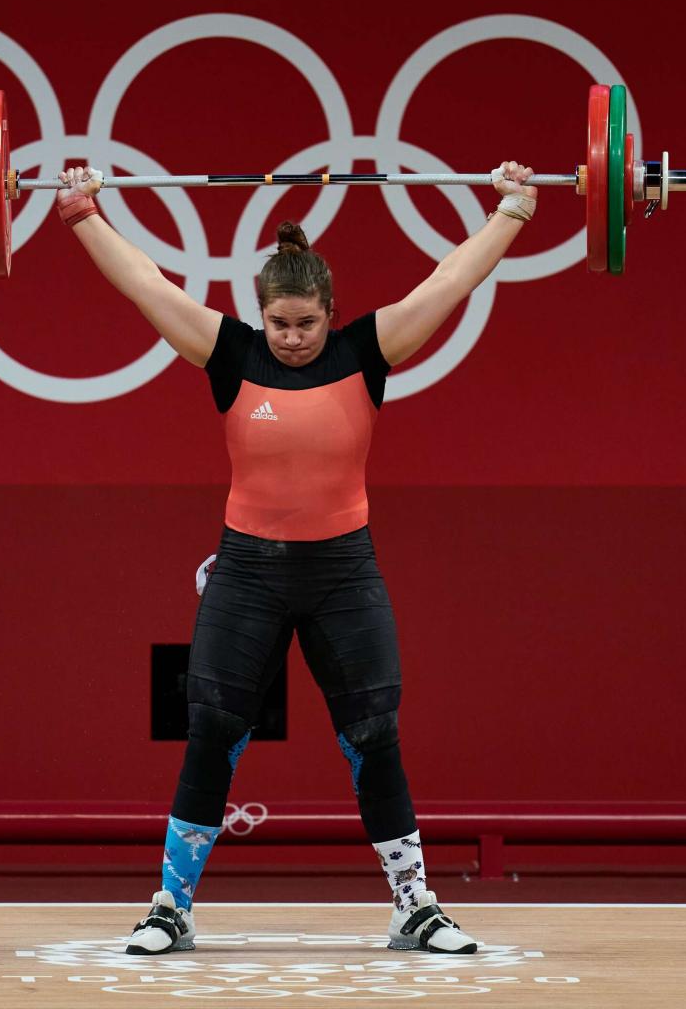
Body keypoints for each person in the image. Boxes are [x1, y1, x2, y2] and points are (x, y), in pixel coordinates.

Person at [54, 160, 541, 955]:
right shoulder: (231, 355)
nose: (291, 337)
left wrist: (513, 211)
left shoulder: (365, 352)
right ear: (261, 316)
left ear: (329, 312)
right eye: (279, 324)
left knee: (375, 731)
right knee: (212, 727)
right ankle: (170, 908)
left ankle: (414, 906)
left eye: (305, 324)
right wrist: (80, 213)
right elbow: (147, 285)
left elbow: (446, 284)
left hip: (343, 569)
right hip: (248, 570)